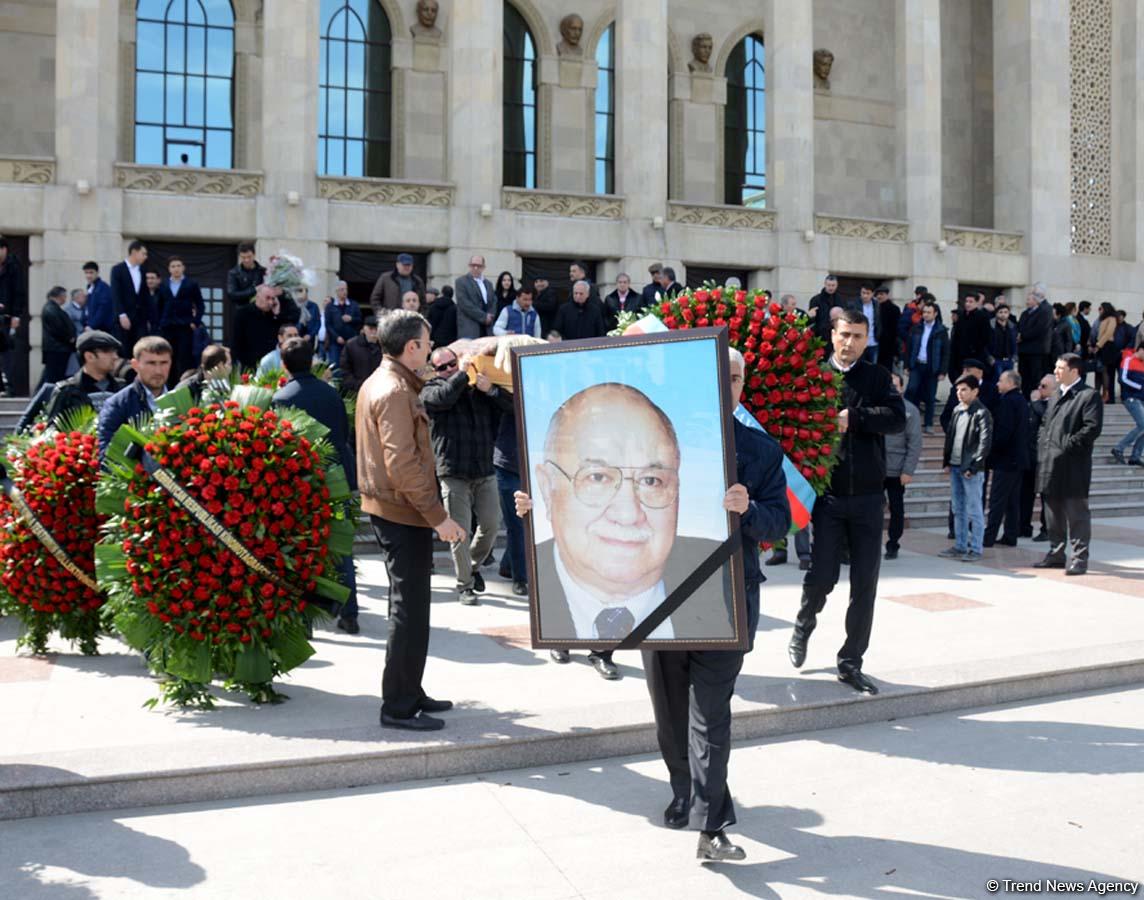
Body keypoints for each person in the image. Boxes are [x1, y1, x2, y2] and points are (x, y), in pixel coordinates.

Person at [641, 346, 789, 863]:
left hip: (724, 599)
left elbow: (780, 522)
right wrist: (536, 509)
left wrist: (750, 510)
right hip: (661, 598)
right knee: (669, 710)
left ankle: (710, 824)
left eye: (734, 378)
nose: (726, 385)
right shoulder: (657, 443)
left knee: (710, 715)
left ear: (742, 386)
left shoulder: (761, 451)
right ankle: (684, 789)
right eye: (717, 377)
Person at [357, 310, 466, 731]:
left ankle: (410, 691)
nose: (431, 346)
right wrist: (439, 518)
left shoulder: (390, 382)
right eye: (427, 340)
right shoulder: (394, 390)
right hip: (402, 513)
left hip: (397, 510)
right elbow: (403, 465)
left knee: (411, 608)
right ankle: (398, 707)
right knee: (408, 611)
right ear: (412, 347)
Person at [788, 309, 906, 695]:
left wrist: (854, 418)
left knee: (864, 585)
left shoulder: (876, 377)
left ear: (866, 338)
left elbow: (895, 418)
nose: (850, 342)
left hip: (870, 498)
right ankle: (804, 624)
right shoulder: (814, 375)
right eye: (844, 335)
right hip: (829, 497)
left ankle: (851, 661)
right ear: (833, 335)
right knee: (822, 576)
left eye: (858, 336)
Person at [274, 335, 360, 634]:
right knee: (341, 546)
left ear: (283, 365)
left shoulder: (283, 398)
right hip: (337, 477)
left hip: (303, 483)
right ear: (312, 361)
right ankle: (350, 614)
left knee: (303, 549)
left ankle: (306, 618)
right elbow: (344, 436)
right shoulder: (331, 393)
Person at [421, 346, 513, 605]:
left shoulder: (477, 389)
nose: (449, 369)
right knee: (458, 532)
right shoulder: (431, 389)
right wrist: (462, 374)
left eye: (453, 363)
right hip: (453, 471)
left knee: (492, 525)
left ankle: (471, 567)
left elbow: (511, 407)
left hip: (484, 468)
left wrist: (491, 390)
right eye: (443, 367)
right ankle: (465, 586)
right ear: (435, 371)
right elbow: (443, 398)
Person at [1034, 353, 1103, 575]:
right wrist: (1043, 447)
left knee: (1077, 515)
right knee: (1052, 514)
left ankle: (1079, 558)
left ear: (1074, 371)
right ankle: (1056, 553)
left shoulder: (1088, 396)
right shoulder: (1056, 395)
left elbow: (1091, 429)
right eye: (1056, 367)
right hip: (1050, 464)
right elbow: (1045, 425)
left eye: (1060, 368)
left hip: (1073, 466)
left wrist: (1067, 447)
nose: (1056, 372)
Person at [17, 330, 123, 432]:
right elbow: (53, 431)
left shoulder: (123, 389)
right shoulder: (66, 391)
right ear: (89, 356)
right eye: (107, 352)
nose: (115, 357)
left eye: (114, 352)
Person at [939, 374, 993, 563]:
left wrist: (974, 465)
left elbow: (984, 444)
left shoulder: (981, 413)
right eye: (957, 390)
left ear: (975, 391)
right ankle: (960, 545)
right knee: (958, 508)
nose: (960, 394)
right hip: (955, 466)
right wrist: (946, 462)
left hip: (970, 469)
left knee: (974, 509)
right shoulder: (956, 410)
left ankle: (975, 547)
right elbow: (950, 438)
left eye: (964, 390)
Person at [97, 336, 173, 456]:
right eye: (151, 363)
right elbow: (106, 454)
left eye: (164, 363)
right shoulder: (118, 404)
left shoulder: (181, 400)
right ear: (135, 365)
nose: (158, 371)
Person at [983, 370, 1029, 547]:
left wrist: (991, 450)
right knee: (1011, 500)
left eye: (1001, 381)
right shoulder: (1021, 400)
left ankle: (989, 537)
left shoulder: (1008, 402)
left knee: (998, 499)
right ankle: (1010, 535)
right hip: (1018, 458)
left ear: (1011, 383)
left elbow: (1003, 432)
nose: (997, 384)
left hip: (1007, 458)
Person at [883, 371, 921, 560]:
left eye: (895, 385)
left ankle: (893, 544)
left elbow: (914, 443)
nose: (892, 388)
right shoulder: (877, 406)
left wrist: (908, 470)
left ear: (902, 388)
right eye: (889, 385)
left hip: (897, 471)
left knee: (896, 509)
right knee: (869, 508)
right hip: (875, 469)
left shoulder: (910, 410)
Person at [232, 275, 300, 370]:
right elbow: (236, 342)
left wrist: (278, 314)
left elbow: (292, 322)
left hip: (272, 363)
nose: (270, 302)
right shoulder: (243, 313)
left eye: (273, 299)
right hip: (250, 364)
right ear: (258, 297)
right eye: (267, 298)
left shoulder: (275, 314)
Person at [154, 256, 203, 387]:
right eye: (173, 266)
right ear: (169, 269)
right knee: (168, 357)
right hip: (168, 327)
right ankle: (168, 386)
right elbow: (158, 306)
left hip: (184, 326)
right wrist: (159, 323)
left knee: (184, 358)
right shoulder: (163, 285)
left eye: (178, 266)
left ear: (183, 268)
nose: (176, 269)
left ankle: (183, 386)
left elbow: (200, 304)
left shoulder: (191, 284)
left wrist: (195, 321)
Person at [904, 299, 949, 433]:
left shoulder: (941, 330)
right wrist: (907, 365)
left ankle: (928, 423)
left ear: (935, 314)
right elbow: (909, 347)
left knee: (930, 396)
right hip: (917, 364)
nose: (926, 315)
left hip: (932, 367)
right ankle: (910, 419)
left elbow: (946, 352)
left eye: (929, 312)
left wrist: (943, 371)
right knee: (912, 390)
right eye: (924, 312)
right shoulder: (916, 328)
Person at [1021, 374, 1056, 541]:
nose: (1039, 389)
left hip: (1045, 457)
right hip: (1030, 455)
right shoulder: (1034, 404)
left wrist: (1035, 402)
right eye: (1039, 385)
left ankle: (1047, 529)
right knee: (1025, 493)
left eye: (1044, 386)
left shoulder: (1055, 404)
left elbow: (1048, 419)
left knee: (1046, 496)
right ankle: (1023, 526)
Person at [109, 240, 149, 357]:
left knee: (139, 350)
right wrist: (121, 314)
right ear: (134, 252)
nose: (145, 257)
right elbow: (116, 294)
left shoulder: (142, 270)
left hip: (139, 318)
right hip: (124, 317)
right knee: (123, 349)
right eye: (143, 253)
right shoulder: (118, 270)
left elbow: (144, 296)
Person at [1017, 283, 1053, 399]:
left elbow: (1039, 329)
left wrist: (1023, 336)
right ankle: (1026, 396)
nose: (1027, 301)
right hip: (1023, 350)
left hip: (1036, 350)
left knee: (1035, 376)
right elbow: (1020, 326)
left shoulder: (1044, 311)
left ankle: (1034, 398)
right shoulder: (1024, 313)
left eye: (1030, 299)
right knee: (1024, 376)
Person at [1111, 345, 1144, 466]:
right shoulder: (1128, 360)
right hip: (1131, 397)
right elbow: (1122, 379)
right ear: (1141, 350)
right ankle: (1119, 448)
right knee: (1143, 424)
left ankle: (1135, 456)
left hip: (1141, 398)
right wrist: (1140, 387)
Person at [39, 286, 76, 388]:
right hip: (57, 349)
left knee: (51, 375)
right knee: (53, 377)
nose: (65, 299)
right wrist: (69, 338)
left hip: (58, 348)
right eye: (64, 296)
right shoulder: (51, 309)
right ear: (59, 296)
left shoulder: (53, 308)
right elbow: (58, 328)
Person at [455, 255, 495, 339]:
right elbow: (464, 304)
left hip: (487, 330)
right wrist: (483, 317)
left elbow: (493, 301)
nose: (476, 268)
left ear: (483, 267)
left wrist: (491, 315)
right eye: (473, 265)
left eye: (479, 266)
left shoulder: (488, 284)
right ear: (469, 266)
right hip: (470, 329)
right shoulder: (461, 282)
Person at [339, 315, 382, 393]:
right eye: (371, 328)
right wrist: (357, 385)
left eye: (376, 329)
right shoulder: (351, 345)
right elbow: (344, 369)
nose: (374, 332)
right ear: (364, 329)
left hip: (378, 390)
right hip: (356, 391)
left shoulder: (385, 347)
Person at [1093, 302, 1119, 404]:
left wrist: (1099, 345)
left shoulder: (1112, 319)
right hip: (1101, 346)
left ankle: (1106, 394)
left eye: (1101, 308)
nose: (1100, 310)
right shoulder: (1103, 319)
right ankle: (1097, 394)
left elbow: (1108, 333)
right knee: (1098, 370)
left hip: (1107, 346)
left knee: (1105, 371)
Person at [226, 242, 266, 308]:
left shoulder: (263, 271)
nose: (246, 260)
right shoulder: (233, 273)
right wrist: (254, 290)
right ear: (239, 257)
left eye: (249, 257)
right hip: (243, 310)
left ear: (254, 255)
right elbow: (232, 294)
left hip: (262, 310)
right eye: (243, 257)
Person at [850, 283, 880, 364]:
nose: (865, 296)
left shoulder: (877, 305)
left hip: (873, 342)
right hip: (858, 342)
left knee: (872, 368)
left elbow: (878, 322)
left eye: (868, 293)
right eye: (863, 293)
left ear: (873, 294)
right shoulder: (854, 304)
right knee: (857, 366)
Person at [83, 261, 115, 335]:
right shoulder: (90, 287)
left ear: (97, 273)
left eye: (91, 272)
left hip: (102, 329)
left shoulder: (103, 288)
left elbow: (103, 309)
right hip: (92, 327)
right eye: (86, 273)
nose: (88, 275)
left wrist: (92, 325)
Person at [807, 274, 840, 344]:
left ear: (837, 285)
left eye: (833, 285)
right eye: (829, 285)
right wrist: (810, 316)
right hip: (820, 337)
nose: (831, 287)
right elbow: (811, 321)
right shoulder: (816, 300)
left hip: (836, 336)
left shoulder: (840, 300)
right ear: (825, 284)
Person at [875, 286, 901, 371]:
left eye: (881, 294)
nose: (879, 296)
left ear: (887, 295)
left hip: (889, 345)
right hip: (876, 343)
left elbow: (896, 329)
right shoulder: (875, 307)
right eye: (877, 294)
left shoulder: (894, 309)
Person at [990, 303, 1018, 382]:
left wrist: (1014, 356)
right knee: (997, 382)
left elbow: (1014, 342)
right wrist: (990, 358)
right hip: (996, 359)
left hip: (1009, 360)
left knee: (1009, 382)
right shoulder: (991, 326)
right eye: (1001, 312)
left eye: (1005, 312)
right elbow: (986, 343)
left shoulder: (1012, 327)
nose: (1003, 314)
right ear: (996, 313)